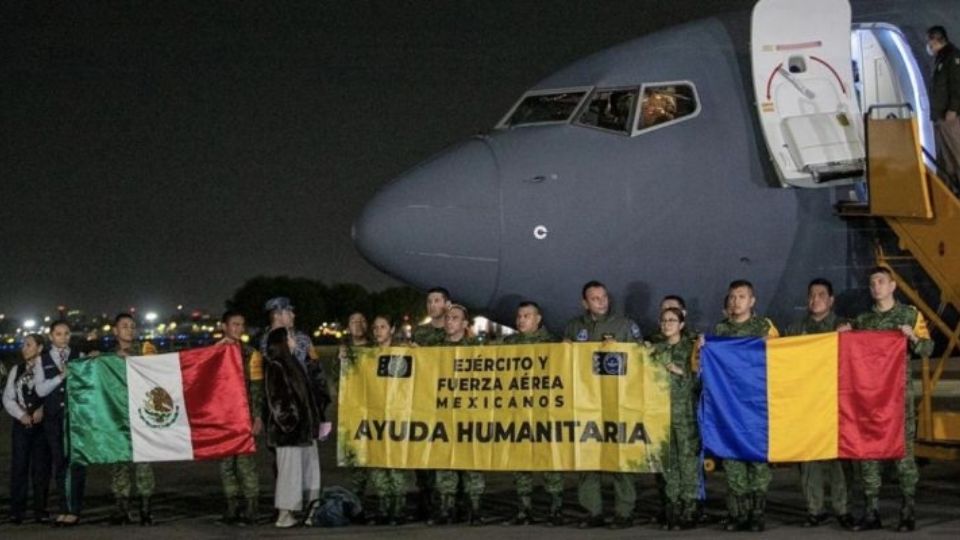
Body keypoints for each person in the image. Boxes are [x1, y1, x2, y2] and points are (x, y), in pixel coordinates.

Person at [840, 267, 933, 532]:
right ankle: (871, 512)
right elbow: (848, 350)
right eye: (872, 283)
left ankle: (907, 510)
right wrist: (844, 334)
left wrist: (912, 337)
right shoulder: (863, 320)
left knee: (903, 455)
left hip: (898, 402)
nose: (876, 286)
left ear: (893, 286)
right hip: (868, 401)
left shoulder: (909, 315)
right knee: (868, 455)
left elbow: (927, 348)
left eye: (881, 281)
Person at [563, 280, 643, 529]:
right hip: (586, 403)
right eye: (595, 298)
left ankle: (624, 512)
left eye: (604, 297)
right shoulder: (575, 327)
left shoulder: (625, 326)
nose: (601, 301)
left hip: (618, 403)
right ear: (584, 302)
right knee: (588, 458)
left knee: (621, 457)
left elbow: (641, 360)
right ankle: (593, 512)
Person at [785, 279, 855, 530]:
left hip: (835, 401)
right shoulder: (795, 329)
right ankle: (814, 509)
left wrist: (847, 338)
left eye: (821, 294)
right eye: (812, 295)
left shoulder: (844, 325)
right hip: (806, 403)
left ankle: (843, 509)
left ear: (831, 300)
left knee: (838, 459)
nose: (816, 299)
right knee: (809, 458)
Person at [713, 280, 779, 532]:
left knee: (758, 460)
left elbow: (781, 356)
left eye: (741, 297)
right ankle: (738, 513)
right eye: (731, 297)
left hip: (757, 404)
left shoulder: (764, 327)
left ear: (752, 301)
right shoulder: (721, 330)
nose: (735, 301)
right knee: (732, 458)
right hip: (730, 404)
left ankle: (757, 512)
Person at [499, 302, 564, 527]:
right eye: (519, 316)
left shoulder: (552, 343)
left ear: (538, 319)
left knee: (550, 463)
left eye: (527, 315)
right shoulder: (507, 344)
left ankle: (555, 508)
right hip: (517, 413)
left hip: (544, 413)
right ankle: (523, 509)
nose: (521, 320)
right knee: (520, 463)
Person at [430, 304, 485, 526]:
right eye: (447, 318)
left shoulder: (478, 350)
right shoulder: (434, 350)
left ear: (464, 324)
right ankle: (447, 508)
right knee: (445, 463)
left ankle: (475, 508)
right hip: (443, 414)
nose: (449, 321)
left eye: (455, 318)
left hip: (470, 414)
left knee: (473, 463)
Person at [263, 327, 322, 528]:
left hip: (302, 431)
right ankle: (284, 515)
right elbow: (278, 400)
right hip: (289, 433)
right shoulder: (276, 365)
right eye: (288, 337)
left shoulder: (292, 362)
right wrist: (291, 423)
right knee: (289, 474)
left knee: (306, 471)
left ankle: (306, 509)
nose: (292, 339)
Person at [106, 313, 158, 526]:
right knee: (119, 463)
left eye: (132, 326)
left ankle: (145, 509)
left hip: (141, 414)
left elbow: (159, 373)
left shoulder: (146, 351)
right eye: (124, 326)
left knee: (144, 462)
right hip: (118, 416)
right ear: (115, 330)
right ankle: (122, 508)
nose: (129, 329)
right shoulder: (106, 358)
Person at [33, 320, 85, 527]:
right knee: (60, 463)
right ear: (51, 336)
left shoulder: (78, 357)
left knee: (77, 462)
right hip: (54, 419)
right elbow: (40, 390)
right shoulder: (42, 360)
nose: (63, 337)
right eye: (58, 334)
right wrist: (60, 377)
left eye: (66, 333)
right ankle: (64, 508)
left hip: (76, 417)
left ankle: (75, 509)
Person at [653, 307, 700, 530]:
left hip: (686, 416)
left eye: (672, 320)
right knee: (669, 464)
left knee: (688, 463)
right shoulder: (655, 350)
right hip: (661, 417)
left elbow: (702, 381)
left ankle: (689, 508)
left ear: (681, 325)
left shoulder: (692, 348)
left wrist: (680, 371)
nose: (667, 324)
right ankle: (672, 508)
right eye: (663, 321)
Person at [217, 311, 264, 526]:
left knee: (246, 466)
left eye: (241, 325)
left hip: (244, 418)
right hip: (221, 419)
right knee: (226, 466)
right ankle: (232, 507)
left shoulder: (251, 354)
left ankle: (251, 509)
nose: (238, 329)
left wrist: (257, 417)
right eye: (234, 324)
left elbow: (256, 390)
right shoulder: (213, 353)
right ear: (224, 327)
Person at [261, 297, 331, 436]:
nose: (294, 315)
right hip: (284, 411)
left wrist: (320, 402)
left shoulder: (303, 338)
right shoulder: (267, 341)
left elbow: (315, 368)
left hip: (307, 406)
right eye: (289, 312)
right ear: (277, 315)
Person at [411, 287, 451, 520]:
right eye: (429, 301)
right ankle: (426, 501)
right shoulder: (420, 334)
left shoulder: (454, 332)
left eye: (437, 300)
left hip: (447, 404)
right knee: (423, 456)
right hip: (424, 402)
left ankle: (448, 502)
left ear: (447, 304)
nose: (432, 305)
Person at [366, 314, 410, 526]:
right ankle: (383, 508)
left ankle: (398, 509)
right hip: (375, 418)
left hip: (397, 418)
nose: (378, 331)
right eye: (375, 327)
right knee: (377, 466)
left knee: (395, 465)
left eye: (382, 327)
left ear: (392, 330)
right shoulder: (367, 355)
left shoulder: (404, 353)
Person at [3, 334, 51, 525]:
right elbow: (8, 397)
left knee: (41, 469)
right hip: (21, 425)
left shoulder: (48, 369)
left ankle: (40, 509)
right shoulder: (17, 369)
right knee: (19, 468)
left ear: (39, 348)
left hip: (43, 426)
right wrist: (21, 415)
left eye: (28, 345)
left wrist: (43, 409)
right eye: (23, 345)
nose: (24, 348)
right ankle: (17, 510)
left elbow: (55, 394)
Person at [338, 311, 372, 501]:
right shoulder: (344, 350)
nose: (358, 324)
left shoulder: (376, 348)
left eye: (362, 320)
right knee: (357, 465)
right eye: (353, 321)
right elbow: (338, 381)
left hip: (376, 412)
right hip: (354, 413)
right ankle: (358, 503)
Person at [927, 25, 960, 190]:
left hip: (950, 117)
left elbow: (957, 85)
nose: (928, 45)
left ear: (935, 39)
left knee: (957, 153)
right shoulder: (941, 57)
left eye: (930, 40)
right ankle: (951, 192)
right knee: (947, 159)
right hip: (941, 115)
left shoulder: (952, 57)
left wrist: (953, 109)